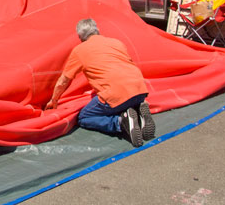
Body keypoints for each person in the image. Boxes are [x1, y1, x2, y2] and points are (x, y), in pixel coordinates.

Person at [45, 18, 155, 147]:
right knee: (123, 101)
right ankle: (138, 114)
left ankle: (121, 122)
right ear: (97, 30)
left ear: (80, 37)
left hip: (117, 94)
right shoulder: (116, 43)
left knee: (84, 118)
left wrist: (54, 100)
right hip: (140, 90)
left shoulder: (80, 50)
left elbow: (63, 81)